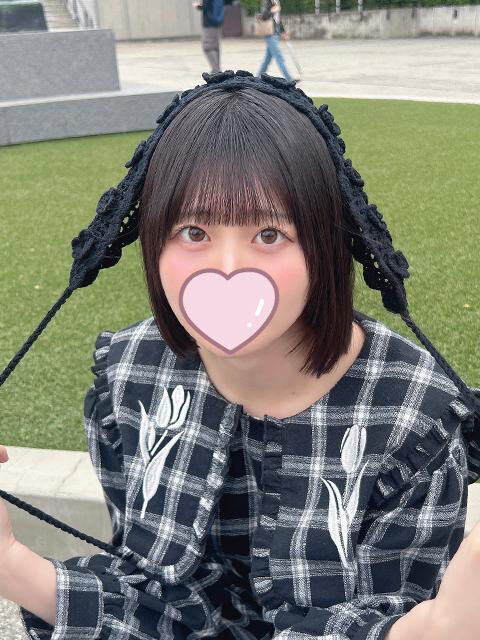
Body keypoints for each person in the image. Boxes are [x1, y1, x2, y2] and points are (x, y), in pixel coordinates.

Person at [0, 69, 479, 640]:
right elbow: (153, 603)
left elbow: (395, 615)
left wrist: (429, 630)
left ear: (325, 243)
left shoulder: (414, 419)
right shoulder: (129, 378)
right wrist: (10, 563)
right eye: (193, 232)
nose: (227, 269)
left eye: (269, 234)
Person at [256, 0, 297, 82]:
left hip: (276, 34)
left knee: (267, 60)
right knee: (279, 57)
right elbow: (263, 17)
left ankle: (257, 77)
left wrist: (283, 32)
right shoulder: (266, 1)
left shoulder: (275, 1)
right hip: (270, 34)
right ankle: (290, 79)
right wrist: (272, 11)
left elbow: (277, 19)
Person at [192, 0, 224, 74]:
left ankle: (216, 70)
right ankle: (216, 69)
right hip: (217, 22)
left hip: (209, 23)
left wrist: (198, 6)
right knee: (215, 47)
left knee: (208, 47)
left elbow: (206, 6)